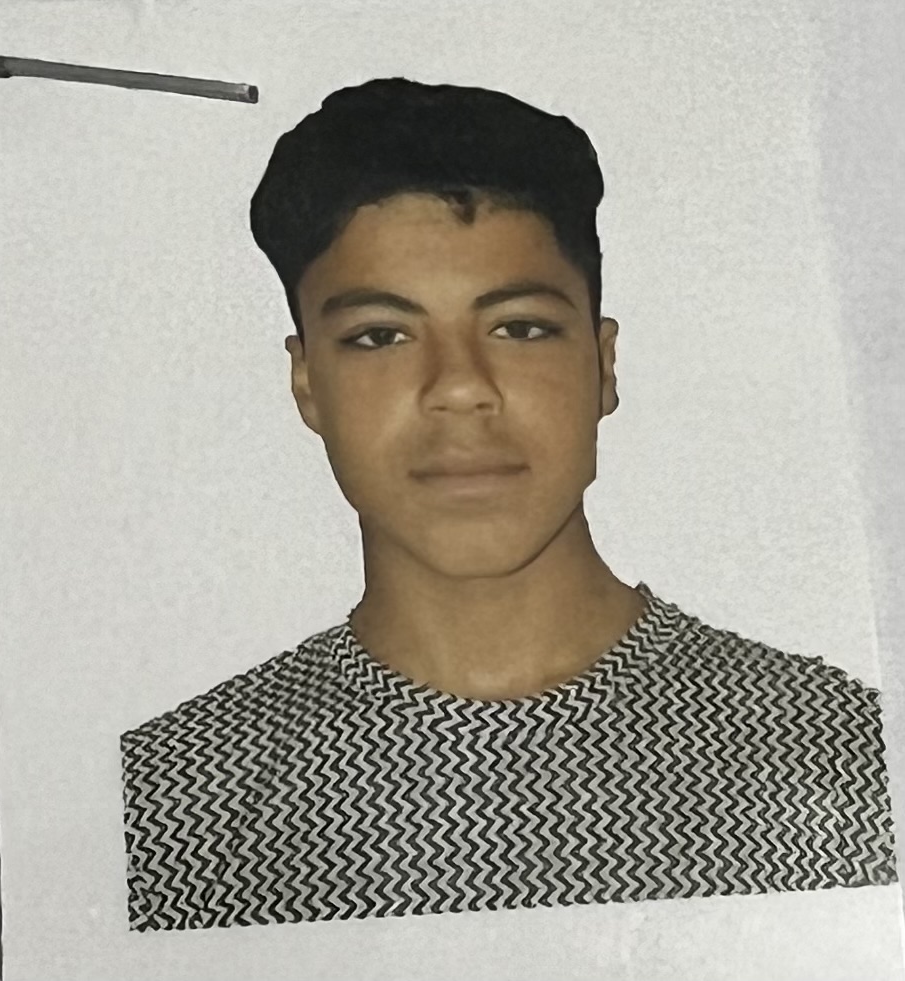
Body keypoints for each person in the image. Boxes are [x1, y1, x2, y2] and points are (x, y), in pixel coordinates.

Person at [119, 77, 898, 933]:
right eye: (380, 335)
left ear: (602, 365)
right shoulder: (172, 802)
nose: (459, 387)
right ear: (308, 384)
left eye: (519, 327)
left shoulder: (839, 753)